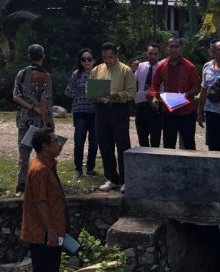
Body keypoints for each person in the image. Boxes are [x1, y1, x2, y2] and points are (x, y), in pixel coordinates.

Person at [21, 128, 68, 272]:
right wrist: (50, 230)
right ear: (45, 147)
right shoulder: (39, 169)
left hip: (54, 231)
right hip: (43, 234)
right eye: (55, 142)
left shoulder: (48, 165)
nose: (59, 145)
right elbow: (41, 203)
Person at [91, 42, 137, 193]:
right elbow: (89, 88)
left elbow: (131, 92)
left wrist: (116, 95)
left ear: (116, 55)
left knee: (123, 145)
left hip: (118, 109)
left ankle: (125, 180)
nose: (107, 60)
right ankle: (111, 178)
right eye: (104, 57)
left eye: (110, 57)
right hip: (101, 109)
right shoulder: (97, 69)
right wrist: (94, 92)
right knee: (104, 144)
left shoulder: (126, 70)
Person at [12, 44, 54, 197]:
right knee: (43, 154)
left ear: (29, 56)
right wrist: (45, 120)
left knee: (23, 154)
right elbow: (46, 101)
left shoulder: (21, 73)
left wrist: (30, 106)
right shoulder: (46, 76)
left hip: (24, 119)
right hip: (40, 122)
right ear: (42, 56)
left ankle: (21, 185)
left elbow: (15, 96)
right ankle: (44, 184)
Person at [149, 38, 200, 150]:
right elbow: (155, 84)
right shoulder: (162, 66)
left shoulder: (189, 66)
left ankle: (190, 167)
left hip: (187, 112)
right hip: (168, 112)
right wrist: (154, 97)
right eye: (171, 47)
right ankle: (169, 167)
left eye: (176, 47)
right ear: (167, 49)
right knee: (168, 144)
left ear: (181, 49)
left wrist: (187, 94)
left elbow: (197, 87)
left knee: (189, 143)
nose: (174, 49)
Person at [64, 48, 98, 179]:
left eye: (89, 59)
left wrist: (98, 91)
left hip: (95, 112)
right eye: (83, 59)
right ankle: (78, 169)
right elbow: (68, 91)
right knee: (79, 141)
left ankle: (90, 168)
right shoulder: (76, 74)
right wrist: (82, 91)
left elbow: (105, 94)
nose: (87, 62)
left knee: (94, 142)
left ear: (94, 60)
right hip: (80, 112)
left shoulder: (100, 74)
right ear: (80, 61)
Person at [134, 43, 162, 148]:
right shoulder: (140, 66)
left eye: (155, 54)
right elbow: (133, 81)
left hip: (156, 106)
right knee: (142, 138)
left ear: (159, 54)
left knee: (155, 138)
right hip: (141, 106)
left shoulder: (162, 68)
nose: (153, 56)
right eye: (150, 53)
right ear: (146, 54)